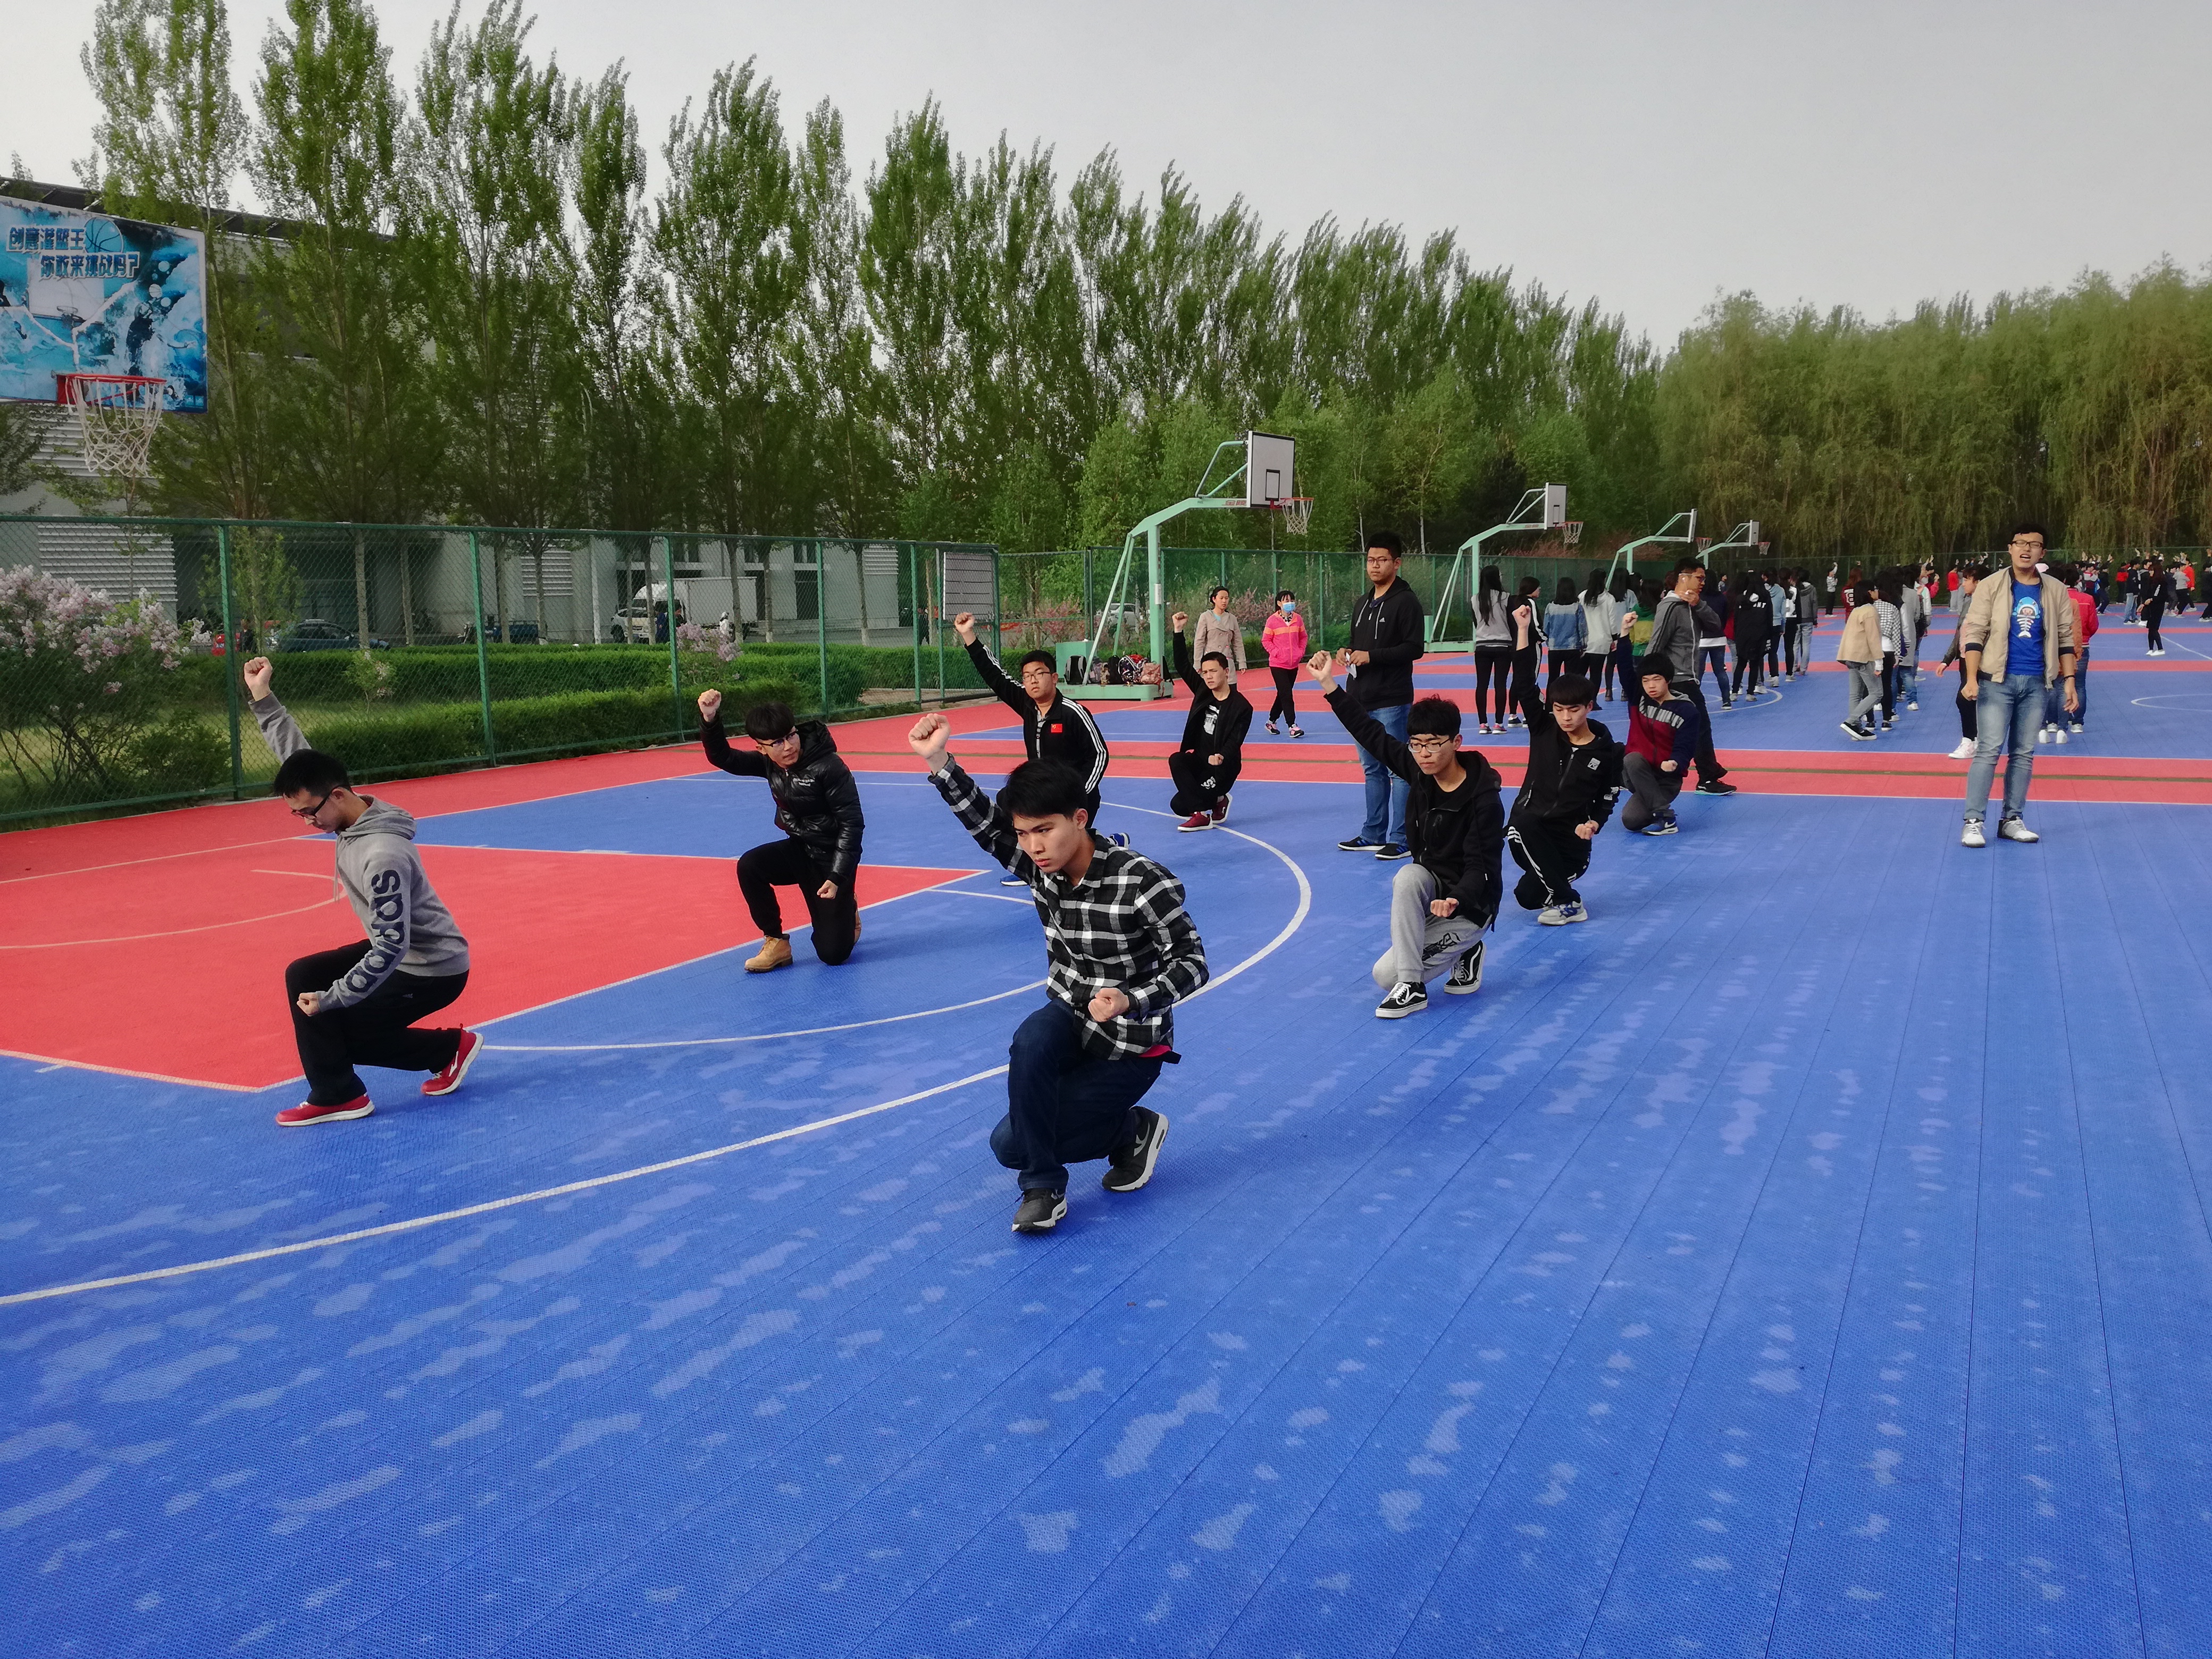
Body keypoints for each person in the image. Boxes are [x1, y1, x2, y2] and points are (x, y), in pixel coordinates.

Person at [905, 714, 1207, 1234]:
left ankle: (1133, 1130)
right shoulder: (1036, 866)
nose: (1033, 846)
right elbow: (985, 824)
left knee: (1014, 1142)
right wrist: (938, 760)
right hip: (1070, 1014)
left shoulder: (1141, 882)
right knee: (1027, 1052)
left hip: (1129, 1044)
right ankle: (1042, 1187)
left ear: (1079, 818)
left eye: (1044, 830)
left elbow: (1193, 963)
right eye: (1024, 834)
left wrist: (1132, 999)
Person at [241, 656, 479, 1127]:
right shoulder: (343, 808)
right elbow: (298, 758)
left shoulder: (382, 853)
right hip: (402, 948)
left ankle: (444, 1049)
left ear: (338, 796)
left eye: (309, 813)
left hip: (431, 968)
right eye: (297, 815)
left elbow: (391, 946)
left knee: (338, 1026)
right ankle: (338, 1091)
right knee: (304, 974)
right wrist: (262, 697)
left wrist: (333, 998)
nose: (307, 823)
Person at [1310, 652, 1503, 1018]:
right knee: (1409, 875)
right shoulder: (1418, 771)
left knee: (1387, 977)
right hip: (1432, 893)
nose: (1424, 753)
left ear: (1456, 742)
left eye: (1433, 743)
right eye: (1416, 744)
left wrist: (1457, 899)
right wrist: (1329, 685)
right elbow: (1371, 733)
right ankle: (1419, 980)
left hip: (1469, 906)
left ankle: (1446, 960)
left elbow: (1481, 868)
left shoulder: (1483, 800)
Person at [699, 692, 864, 971]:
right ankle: (776, 941)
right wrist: (710, 718)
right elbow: (723, 757)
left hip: (831, 860)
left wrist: (838, 877)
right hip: (799, 848)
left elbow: (852, 824)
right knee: (750, 866)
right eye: (777, 742)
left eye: (791, 736)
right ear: (761, 748)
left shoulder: (829, 767)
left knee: (833, 954)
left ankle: (847, 907)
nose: (788, 747)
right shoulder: (769, 764)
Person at [954, 609, 1119, 882]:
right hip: (1041, 791)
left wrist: (1078, 792)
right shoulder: (1027, 705)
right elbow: (995, 676)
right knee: (1008, 802)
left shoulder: (1073, 712)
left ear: (1054, 678)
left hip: (1076, 796)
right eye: (1027, 675)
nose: (1032, 680)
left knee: (1071, 858)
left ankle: (1109, 844)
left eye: (1039, 674)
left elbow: (1100, 754)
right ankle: (1026, 864)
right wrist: (968, 635)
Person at [1957, 523, 2080, 847]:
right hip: (1996, 682)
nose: (2026, 549)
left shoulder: (2055, 590)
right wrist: (1971, 679)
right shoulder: (1991, 585)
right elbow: (1975, 632)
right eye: (2020, 543)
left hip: (2038, 683)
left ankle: (2012, 819)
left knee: (2023, 753)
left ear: (2043, 552)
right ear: (2010, 548)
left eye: (2034, 544)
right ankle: (1974, 822)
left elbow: (2066, 637)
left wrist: (2069, 680)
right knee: (1988, 750)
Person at [1335, 532, 1427, 859]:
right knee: (1371, 769)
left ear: (1396, 563)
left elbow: (1414, 648)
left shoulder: (1407, 602)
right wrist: (1347, 651)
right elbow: (1357, 642)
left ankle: (1402, 838)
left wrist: (1372, 657)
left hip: (1391, 700)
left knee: (1398, 769)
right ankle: (1373, 833)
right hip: (1360, 699)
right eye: (1370, 560)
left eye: (1382, 560)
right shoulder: (1363, 603)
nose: (1375, 566)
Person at [1505, 674, 1619, 925]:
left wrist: (1595, 823)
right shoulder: (1544, 730)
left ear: (1589, 707)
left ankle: (1568, 900)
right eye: (1559, 710)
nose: (1566, 717)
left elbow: (1608, 795)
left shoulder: (1608, 752)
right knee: (1523, 822)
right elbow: (1524, 685)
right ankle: (1565, 896)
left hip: (1570, 849)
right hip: (1528, 836)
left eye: (1574, 710)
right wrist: (1522, 644)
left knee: (1528, 896)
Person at [1648, 559, 1736, 794]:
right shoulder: (1670, 607)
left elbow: (1716, 625)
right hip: (1677, 680)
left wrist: (1699, 605)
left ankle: (1705, 774)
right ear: (1683, 578)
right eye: (1699, 578)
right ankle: (1707, 777)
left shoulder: (1692, 605)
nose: (1702, 583)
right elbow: (1656, 645)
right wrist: (1647, 679)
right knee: (1699, 727)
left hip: (1688, 678)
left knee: (1679, 730)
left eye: (1704, 578)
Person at [1166, 611, 1253, 830]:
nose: (1209, 676)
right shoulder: (1203, 691)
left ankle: (1202, 813)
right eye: (1205, 673)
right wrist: (1178, 631)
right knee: (1177, 773)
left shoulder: (1242, 707)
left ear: (1226, 672)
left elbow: (1235, 741)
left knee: (1189, 802)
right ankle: (1216, 802)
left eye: (1213, 671)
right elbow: (1183, 665)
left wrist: (1221, 756)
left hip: (1222, 768)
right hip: (1201, 761)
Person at [1620, 658, 1700, 834]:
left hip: (1666, 780)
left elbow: (1686, 747)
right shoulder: (1638, 699)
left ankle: (1663, 813)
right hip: (1638, 773)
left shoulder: (1687, 712)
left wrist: (1675, 762)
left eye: (1656, 679)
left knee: (1632, 820)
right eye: (1645, 681)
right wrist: (1623, 642)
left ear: (1668, 680)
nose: (1651, 686)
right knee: (1632, 758)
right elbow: (1625, 672)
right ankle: (1664, 814)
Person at [1940, 568, 1981, 758]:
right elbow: (1960, 633)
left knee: (1964, 699)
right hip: (1965, 658)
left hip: (1979, 659)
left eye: (1967, 580)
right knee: (1971, 700)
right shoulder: (1968, 602)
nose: (1963, 584)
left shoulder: (1987, 604)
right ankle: (1974, 739)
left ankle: (1970, 741)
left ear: (1978, 582)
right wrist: (1947, 660)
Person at [1837, 581, 1885, 740]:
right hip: (1864, 657)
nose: (1878, 591)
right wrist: (1879, 661)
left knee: (1855, 694)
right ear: (1869, 592)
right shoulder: (1870, 611)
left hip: (1850, 656)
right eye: (1876, 589)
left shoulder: (1856, 611)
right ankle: (1852, 721)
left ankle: (1856, 728)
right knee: (1877, 693)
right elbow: (1873, 638)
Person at [1471, 567, 1514, 734]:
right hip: (1503, 645)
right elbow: (1512, 622)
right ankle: (1498, 723)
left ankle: (1483, 724)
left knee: (1481, 685)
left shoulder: (1475, 599)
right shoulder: (1506, 597)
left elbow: (1476, 622)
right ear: (1497, 578)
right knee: (1500, 685)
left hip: (1482, 645)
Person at [1259, 589, 1307, 736]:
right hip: (1278, 665)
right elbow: (1266, 640)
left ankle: (1271, 722)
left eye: (1292, 600)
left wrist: (1300, 652)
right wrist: (1277, 653)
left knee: (1283, 694)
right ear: (1279, 603)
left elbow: (1303, 637)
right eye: (1286, 601)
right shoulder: (1272, 621)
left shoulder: (1298, 619)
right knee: (1287, 695)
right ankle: (1292, 725)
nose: (1290, 603)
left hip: (1293, 664)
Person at [1506, 575, 1546, 731]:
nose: (1539, 589)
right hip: (1531, 646)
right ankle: (1528, 715)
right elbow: (1535, 625)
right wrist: (1543, 638)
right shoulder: (1530, 603)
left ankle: (1512, 715)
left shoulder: (1513, 601)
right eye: (1538, 587)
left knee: (1517, 679)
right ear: (1531, 588)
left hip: (1516, 645)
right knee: (1530, 678)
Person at [1544, 576, 1588, 692]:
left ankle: (1550, 702)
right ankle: (1570, 700)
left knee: (1553, 678)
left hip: (1555, 648)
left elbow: (1546, 629)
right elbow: (1582, 628)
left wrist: (1550, 643)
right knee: (1571, 680)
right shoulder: (1577, 607)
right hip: (1572, 647)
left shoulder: (1550, 607)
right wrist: (1584, 646)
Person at [1578, 569, 1619, 697]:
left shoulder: (1582, 596)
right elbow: (1613, 622)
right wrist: (1615, 638)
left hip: (1584, 642)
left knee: (1579, 675)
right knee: (1596, 674)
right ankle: (1592, 700)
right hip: (1601, 642)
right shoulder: (1609, 599)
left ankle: (1579, 698)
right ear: (1604, 580)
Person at [1729, 571, 1770, 699]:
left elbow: (1736, 619)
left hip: (1743, 636)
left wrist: (1737, 636)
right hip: (1759, 636)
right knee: (1754, 664)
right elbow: (1769, 618)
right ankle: (1750, 693)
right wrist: (1768, 638)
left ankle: (1734, 692)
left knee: (1741, 664)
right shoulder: (1765, 598)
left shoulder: (1741, 599)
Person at [1192, 585, 1243, 673]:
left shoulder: (1232, 618)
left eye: (1226, 598)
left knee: (1229, 682)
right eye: (1221, 598)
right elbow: (1199, 642)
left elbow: (1237, 642)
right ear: (1214, 599)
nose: (1224, 601)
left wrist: (1242, 662)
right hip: (1210, 662)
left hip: (1227, 662)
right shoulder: (1205, 617)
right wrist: (1197, 663)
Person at [2141, 560, 2171, 657]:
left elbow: (2163, 596)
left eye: (2152, 571)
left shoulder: (2162, 583)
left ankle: (2160, 649)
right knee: (2150, 628)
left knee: (2154, 628)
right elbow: (2148, 594)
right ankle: (2151, 649)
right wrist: (2144, 604)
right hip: (2150, 607)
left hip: (2158, 607)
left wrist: (2152, 599)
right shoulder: (2151, 582)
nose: (2150, 572)